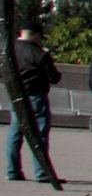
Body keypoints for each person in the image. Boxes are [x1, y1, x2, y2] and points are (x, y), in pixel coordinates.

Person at [6, 26, 61, 183]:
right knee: (40, 135)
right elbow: (54, 77)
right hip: (35, 96)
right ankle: (42, 172)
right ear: (35, 35)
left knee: (15, 133)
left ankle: (12, 170)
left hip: (16, 94)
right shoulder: (39, 53)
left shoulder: (9, 50)